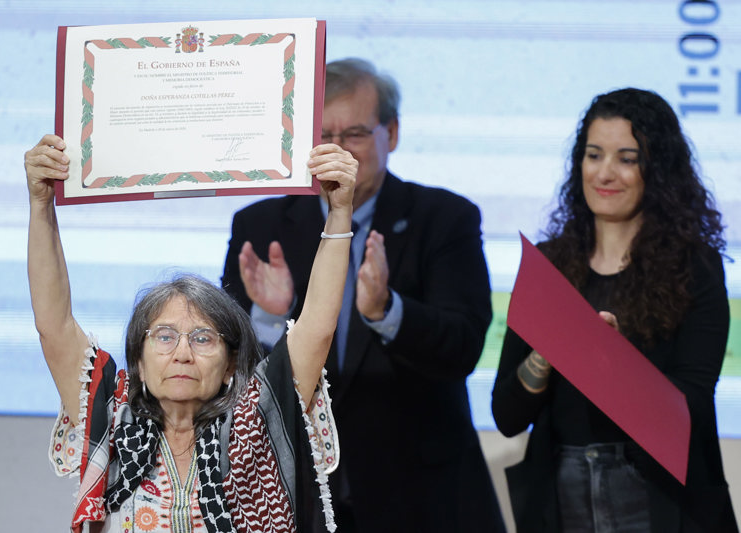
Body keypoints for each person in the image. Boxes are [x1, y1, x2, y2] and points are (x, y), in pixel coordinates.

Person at [222, 58, 505, 532]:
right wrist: (269, 320)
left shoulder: (446, 218)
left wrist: (388, 312)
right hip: (298, 496)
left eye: (353, 134)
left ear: (390, 134)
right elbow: (230, 373)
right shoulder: (259, 225)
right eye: (324, 135)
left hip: (421, 497)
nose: (337, 151)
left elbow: (464, 346)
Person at [24, 134, 358, 532]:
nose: (183, 353)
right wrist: (41, 203)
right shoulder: (112, 420)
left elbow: (317, 328)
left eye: (202, 338)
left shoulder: (254, 422)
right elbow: (54, 325)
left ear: (232, 364)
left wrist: (339, 211)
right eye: (164, 336)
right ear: (139, 365)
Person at [492, 88, 738, 532]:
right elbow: (507, 418)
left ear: (656, 171)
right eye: (593, 155)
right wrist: (545, 356)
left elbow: (693, 409)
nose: (605, 173)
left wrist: (614, 363)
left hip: (658, 496)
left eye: (627, 158)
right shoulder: (549, 265)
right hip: (560, 496)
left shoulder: (696, 267)